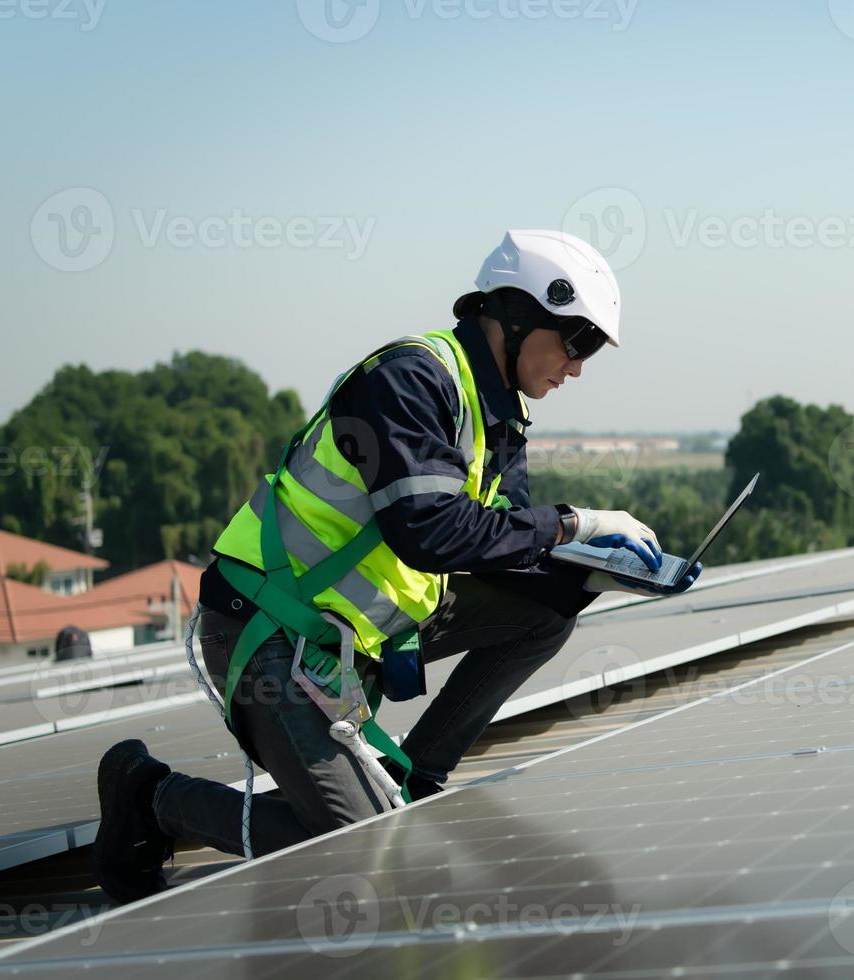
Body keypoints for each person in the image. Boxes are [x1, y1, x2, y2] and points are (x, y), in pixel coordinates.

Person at [90, 230, 700, 902]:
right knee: (359, 851)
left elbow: (499, 548)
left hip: (355, 637)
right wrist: (572, 523)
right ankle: (152, 798)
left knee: (544, 616)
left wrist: (587, 572)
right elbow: (430, 533)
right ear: (518, 315)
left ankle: (416, 780)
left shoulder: (499, 414)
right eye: (576, 342)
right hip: (271, 631)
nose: (578, 367)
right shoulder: (408, 381)